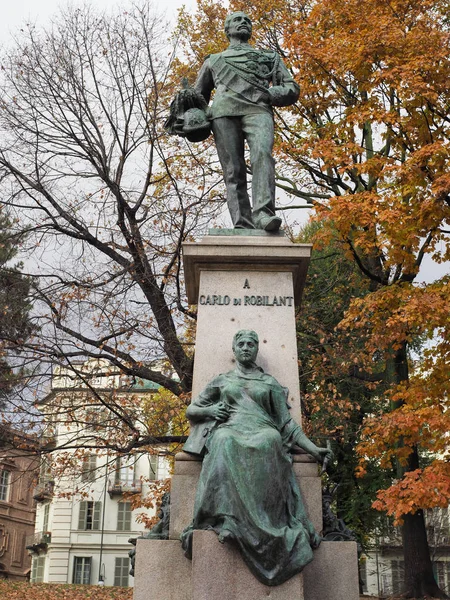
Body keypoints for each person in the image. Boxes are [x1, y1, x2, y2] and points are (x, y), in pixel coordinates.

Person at [181, 330, 332, 586]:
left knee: (271, 440)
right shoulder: (223, 380)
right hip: (230, 429)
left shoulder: (269, 382)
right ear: (234, 348)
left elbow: (287, 425)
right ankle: (228, 519)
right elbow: (192, 409)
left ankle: (266, 522)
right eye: (241, 343)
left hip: (263, 430)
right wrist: (211, 409)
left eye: (251, 344)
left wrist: (313, 449)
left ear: (256, 349)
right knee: (223, 440)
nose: (246, 347)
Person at [168, 12, 300, 232]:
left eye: (247, 20)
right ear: (227, 30)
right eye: (237, 20)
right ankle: (242, 223)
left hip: (259, 109)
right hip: (223, 113)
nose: (243, 22)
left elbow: (291, 87)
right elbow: (199, 97)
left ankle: (264, 215)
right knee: (233, 170)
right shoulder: (213, 61)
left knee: (263, 156)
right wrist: (185, 118)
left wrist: (271, 94)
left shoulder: (268, 58)